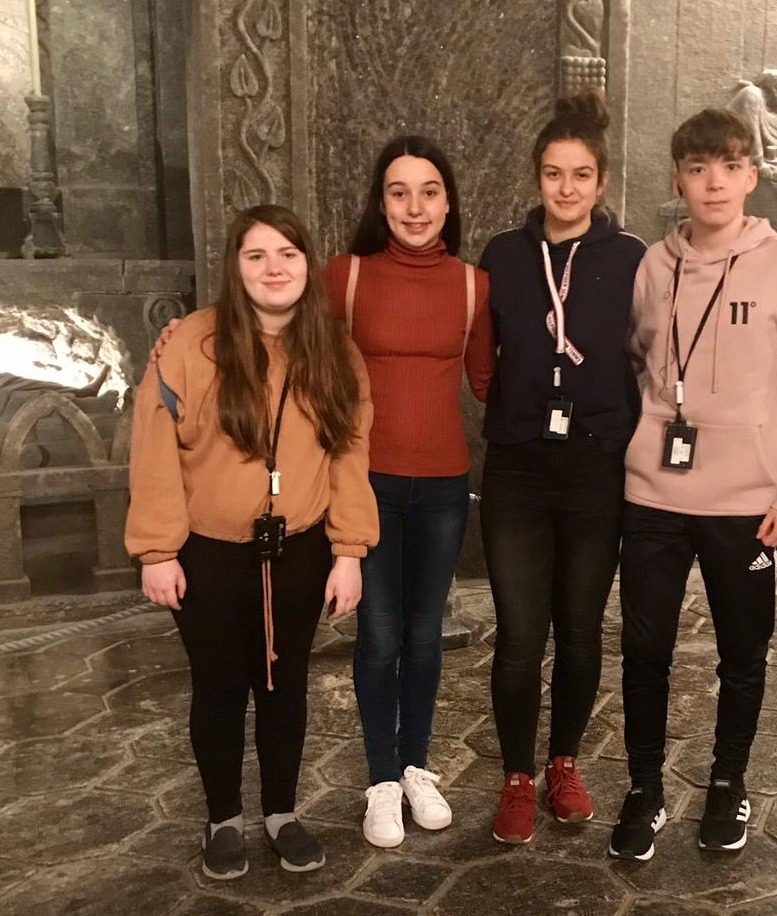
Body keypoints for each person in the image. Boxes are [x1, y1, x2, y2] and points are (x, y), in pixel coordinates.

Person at [609, 109, 777, 861]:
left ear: (752, 177)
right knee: (644, 652)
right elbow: (637, 359)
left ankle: (727, 783)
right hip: (653, 495)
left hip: (748, 504)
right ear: (678, 179)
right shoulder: (652, 265)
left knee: (743, 654)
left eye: (730, 167)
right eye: (699, 168)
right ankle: (644, 789)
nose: (714, 182)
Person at [126, 204, 379, 879]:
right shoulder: (192, 343)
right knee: (217, 689)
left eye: (288, 254)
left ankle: (281, 813)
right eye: (256, 255)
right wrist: (157, 550)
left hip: (300, 551)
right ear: (235, 267)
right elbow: (154, 447)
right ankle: (223, 819)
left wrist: (349, 552)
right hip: (208, 555)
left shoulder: (335, 351)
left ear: (307, 265)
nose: (274, 268)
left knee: (285, 686)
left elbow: (350, 454)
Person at [478, 89, 646, 844]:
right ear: (536, 177)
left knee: (580, 630)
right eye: (553, 174)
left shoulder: (632, 258)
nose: (566, 189)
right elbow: (480, 351)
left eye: (581, 175)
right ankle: (517, 776)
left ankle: (564, 764)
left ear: (601, 181)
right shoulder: (504, 256)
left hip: (595, 469)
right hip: (517, 469)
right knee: (519, 635)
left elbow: (655, 354)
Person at [323, 136, 496, 849]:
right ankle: (381, 781)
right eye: (399, 192)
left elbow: (491, 382)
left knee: (425, 635)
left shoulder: (473, 286)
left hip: (446, 487)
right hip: (368, 485)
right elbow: (286, 347)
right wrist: (189, 338)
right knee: (380, 634)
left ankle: (416, 767)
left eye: (429, 192)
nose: (415, 207)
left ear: (448, 202)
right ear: (381, 201)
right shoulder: (346, 277)